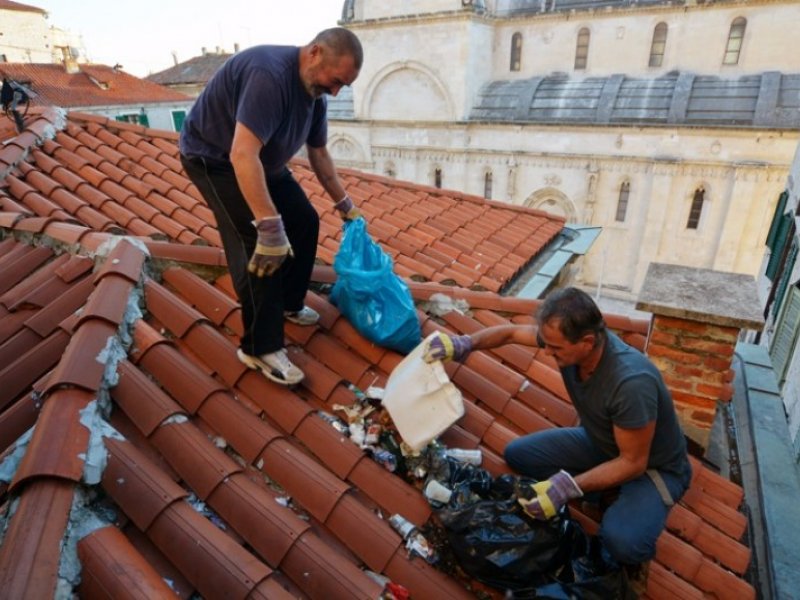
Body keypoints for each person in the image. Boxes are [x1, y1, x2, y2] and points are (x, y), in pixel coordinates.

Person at [423, 287, 692, 577]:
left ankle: (626, 515)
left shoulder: (630, 384)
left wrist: (567, 488)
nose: (547, 352)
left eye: (556, 348)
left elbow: (633, 462)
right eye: (546, 344)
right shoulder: (566, 341)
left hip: (653, 468)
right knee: (519, 455)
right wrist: (463, 343)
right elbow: (510, 334)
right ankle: (603, 490)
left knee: (621, 543)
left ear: (587, 342)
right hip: (603, 444)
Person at [179, 28, 363, 386]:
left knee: (305, 221)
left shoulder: (315, 96)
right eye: (335, 81)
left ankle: (291, 303)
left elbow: (319, 153)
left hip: (265, 164)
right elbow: (242, 154)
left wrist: (346, 205)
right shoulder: (269, 76)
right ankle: (258, 347)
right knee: (257, 244)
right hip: (214, 160)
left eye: (344, 86)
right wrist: (268, 225)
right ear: (314, 53)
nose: (336, 91)